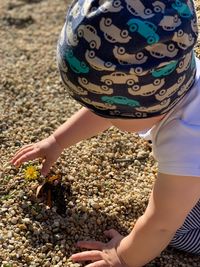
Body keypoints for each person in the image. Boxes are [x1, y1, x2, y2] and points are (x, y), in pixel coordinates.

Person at [11, 0, 200, 266]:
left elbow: (160, 225)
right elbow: (113, 107)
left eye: (108, 113)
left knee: (179, 230)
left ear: (140, 110)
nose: (101, 116)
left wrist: (122, 256)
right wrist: (57, 141)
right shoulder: (176, 74)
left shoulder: (187, 135)